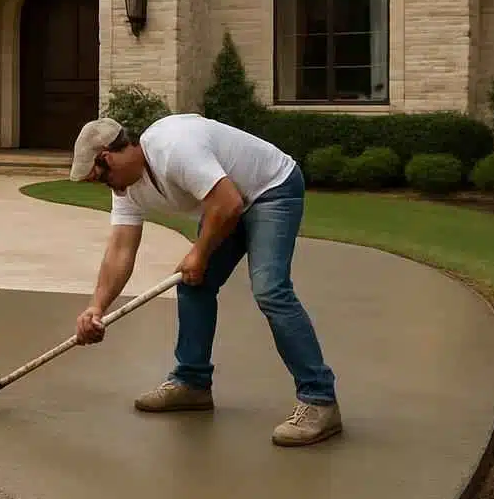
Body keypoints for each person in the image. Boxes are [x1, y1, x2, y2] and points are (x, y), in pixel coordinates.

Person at [67, 113, 341, 447]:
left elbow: (228, 203)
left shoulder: (174, 147)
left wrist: (199, 254)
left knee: (270, 289)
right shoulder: (126, 189)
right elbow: (121, 250)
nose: (104, 185)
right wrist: (96, 307)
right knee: (192, 283)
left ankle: (319, 400)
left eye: (99, 176)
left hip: (272, 188)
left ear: (107, 157)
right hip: (227, 202)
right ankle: (192, 383)